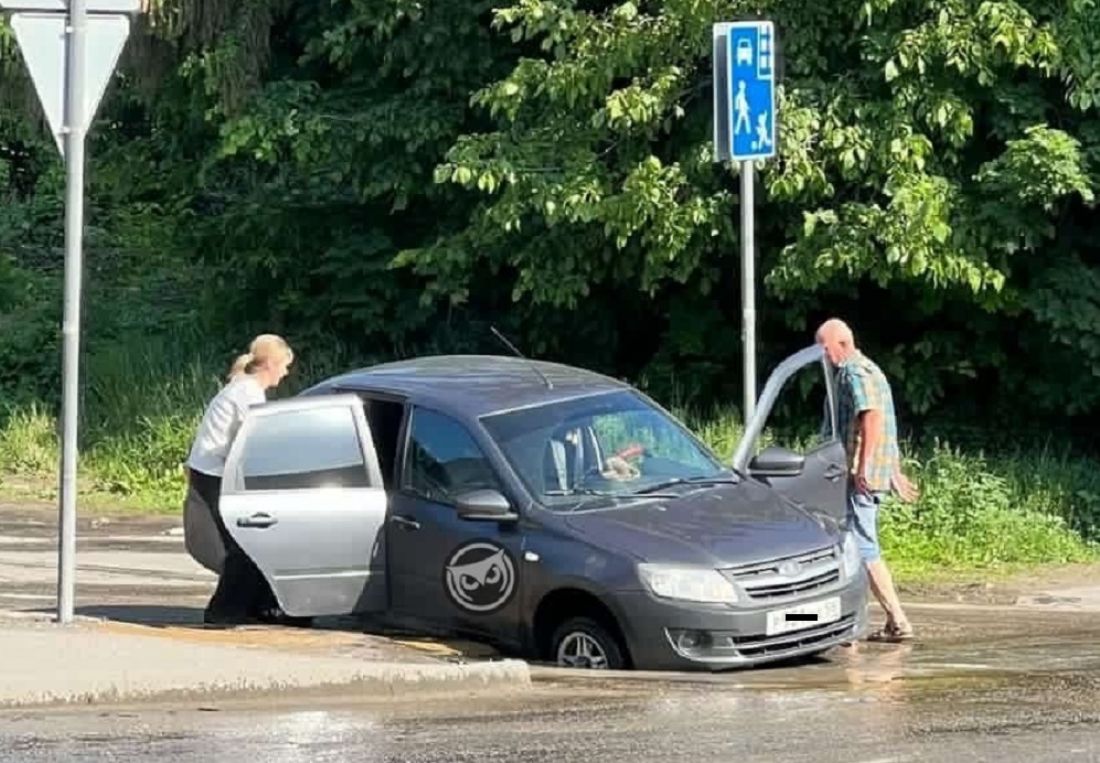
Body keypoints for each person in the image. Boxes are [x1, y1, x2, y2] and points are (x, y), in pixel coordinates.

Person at [815, 318, 919, 643]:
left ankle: (896, 619)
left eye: (824, 349)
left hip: (859, 477)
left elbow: (872, 416)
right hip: (870, 473)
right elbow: (887, 423)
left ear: (841, 345)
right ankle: (847, 622)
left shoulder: (852, 372)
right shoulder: (870, 369)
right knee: (850, 544)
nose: (822, 357)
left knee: (861, 545)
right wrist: (893, 470)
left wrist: (862, 466)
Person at [187, 334, 294, 625]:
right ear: (270, 363)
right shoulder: (249, 394)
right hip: (215, 474)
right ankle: (224, 610)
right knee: (246, 545)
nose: (286, 373)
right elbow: (252, 443)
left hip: (210, 470)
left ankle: (254, 606)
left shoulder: (243, 388)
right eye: (284, 365)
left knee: (247, 545)